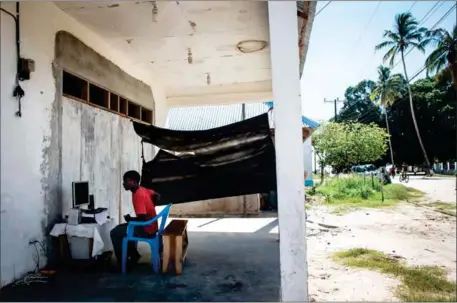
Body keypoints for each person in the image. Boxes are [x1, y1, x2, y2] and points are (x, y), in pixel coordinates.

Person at [110, 170, 159, 268]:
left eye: (126, 181)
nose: (123, 183)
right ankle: (134, 255)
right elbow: (157, 195)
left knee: (114, 232)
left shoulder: (138, 195)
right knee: (122, 228)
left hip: (147, 229)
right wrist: (150, 208)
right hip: (152, 225)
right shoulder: (142, 189)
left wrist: (130, 219)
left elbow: (142, 219)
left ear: (134, 182)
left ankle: (122, 264)